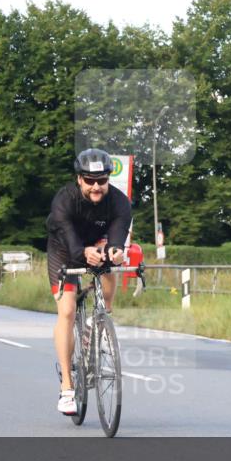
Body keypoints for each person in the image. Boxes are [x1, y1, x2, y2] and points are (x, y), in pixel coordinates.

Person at [47, 148, 131, 415]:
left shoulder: (119, 202)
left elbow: (118, 238)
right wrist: (83, 253)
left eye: (102, 181)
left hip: (97, 245)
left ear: (108, 179)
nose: (96, 187)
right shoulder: (65, 200)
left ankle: (99, 321)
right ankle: (67, 388)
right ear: (79, 179)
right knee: (68, 311)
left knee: (108, 266)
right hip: (64, 250)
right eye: (90, 181)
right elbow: (70, 239)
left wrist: (115, 252)